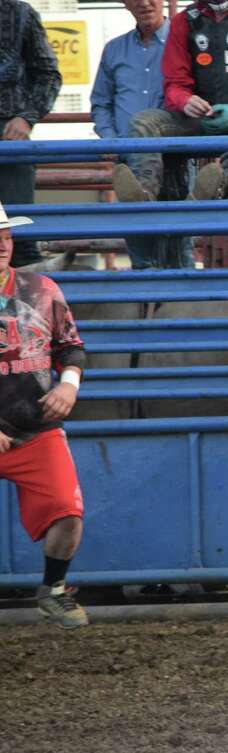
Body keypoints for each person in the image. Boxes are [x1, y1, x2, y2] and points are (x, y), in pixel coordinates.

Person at [0, 202, 89, 628]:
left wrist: (69, 383)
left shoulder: (42, 288)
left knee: (68, 516)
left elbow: (70, 345)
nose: (1, 244)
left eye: (5, 236)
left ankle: (53, 589)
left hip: (36, 428)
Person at [112, 0, 228, 205]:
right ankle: (143, 192)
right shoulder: (184, 21)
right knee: (143, 121)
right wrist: (185, 101)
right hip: (200, 118)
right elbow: (174, 83)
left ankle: (219, 186)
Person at [91, 0, 194, 269]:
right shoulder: (114, 49)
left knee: (178, 247)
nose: (145, 3)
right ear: (125, 3)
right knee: (141, 249)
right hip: (129, 157)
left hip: (175, 157)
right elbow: (101, 102)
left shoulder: (185, 42)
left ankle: (176, 303)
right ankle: (149, 298)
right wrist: (109, 137)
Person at [0, 0, 61, 269]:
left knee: (19, 233)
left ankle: (29, 309)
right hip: (11, 135)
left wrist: (27, 116)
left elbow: (48, 72)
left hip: (9, 136)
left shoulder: (20, 12)